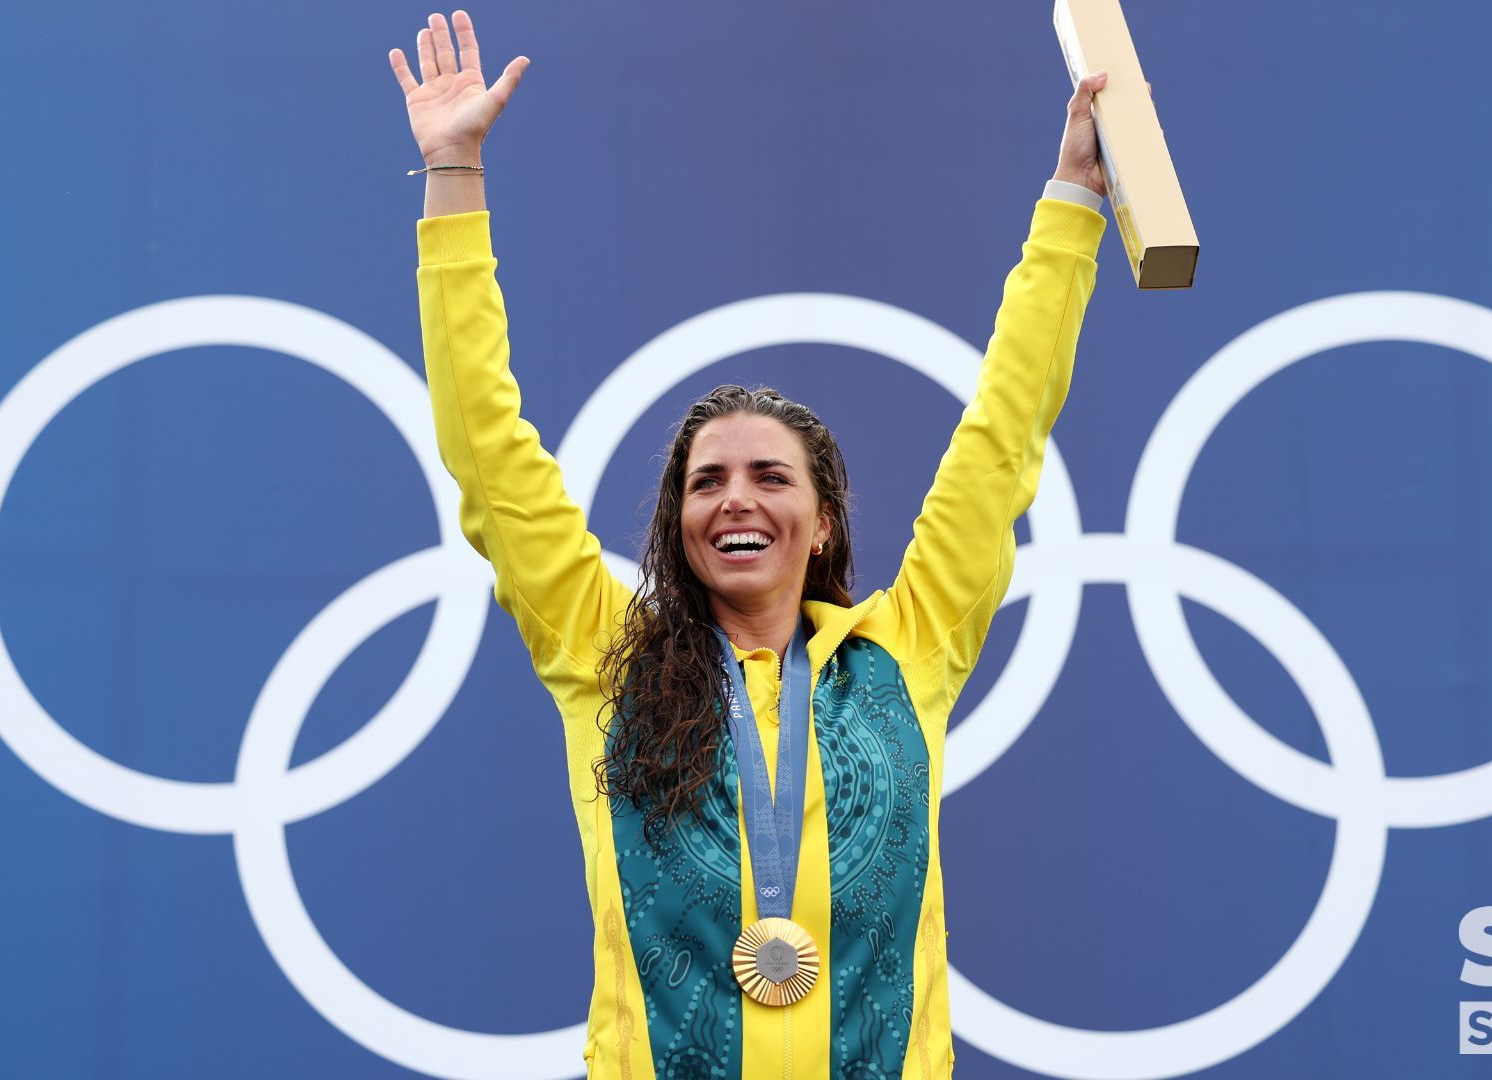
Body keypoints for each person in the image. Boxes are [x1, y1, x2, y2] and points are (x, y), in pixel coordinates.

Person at [391, 10, 1111, 1076]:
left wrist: (1076, 206)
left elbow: (1004, 434)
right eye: (706, 481)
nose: (737, 500)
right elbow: (487, 452)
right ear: (675, 524)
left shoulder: (906, 653)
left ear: (823, 526)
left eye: (772, 477)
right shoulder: (608, 655)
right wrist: (454, 174)